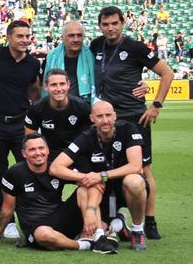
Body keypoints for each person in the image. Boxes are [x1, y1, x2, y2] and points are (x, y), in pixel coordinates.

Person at [90, 6, 175, 239]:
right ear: (100, 26)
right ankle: (114, 217)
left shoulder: (135, 47)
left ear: (123, 23)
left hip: (134, 117)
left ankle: (150, 220)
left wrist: (156, 105)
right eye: (105, 24)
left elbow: (167, 73)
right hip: (107, 120)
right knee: (108, 167)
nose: (110, 28)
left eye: (114, 23)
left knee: (144, 170)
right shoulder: (96, 45)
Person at [0, 134, 118, 253]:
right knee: (44, 234)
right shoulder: (14, 173)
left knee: (85, 189)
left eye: (41, 148)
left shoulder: (57, 170)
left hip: (61, 219)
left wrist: (90, 210)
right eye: (32, 149)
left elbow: (95, 184)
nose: (38, 153)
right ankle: (85, 244)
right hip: (36, 228)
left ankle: (99, 236)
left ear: (47, 150)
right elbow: (7, 209)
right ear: (24, 153)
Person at [50, 101, 151, 251]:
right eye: (100, 116)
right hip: (101, 193)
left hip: (125, 189)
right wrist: (84, 177)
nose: (105, 120)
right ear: (92, 119)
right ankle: (111, 227)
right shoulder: (86, 137)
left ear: (115, 116)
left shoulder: (128, 128)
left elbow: (136, 166)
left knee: (134, 181)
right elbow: (55, 167)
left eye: (108, 115)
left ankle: (137, 230)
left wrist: (101, 175)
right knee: (92, 225)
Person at [0, 20, 42, 225]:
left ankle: (32, 217)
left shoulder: (33, 63)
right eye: (20, 36)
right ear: (8, 37)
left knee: (29, 169)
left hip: (20, 124)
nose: (25, 40)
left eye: (27, 36)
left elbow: (34, 89)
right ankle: (9, 222)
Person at [23, 69, 92, 157]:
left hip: (77, 154)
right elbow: (30, 140)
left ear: (68, 85)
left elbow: (93, 135)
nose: (59, 89)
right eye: (53, 85)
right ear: (46, 86)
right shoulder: (36, 109)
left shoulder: (82, 107)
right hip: (49, 155)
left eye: (62, 84)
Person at [42, 21, 94, 100]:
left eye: (79, 35)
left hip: (85, 104)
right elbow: (45, 85)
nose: (76, 39)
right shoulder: (52, 57)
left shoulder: (91, 55)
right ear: (62, 37)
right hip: (57, 106)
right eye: (71, 36)